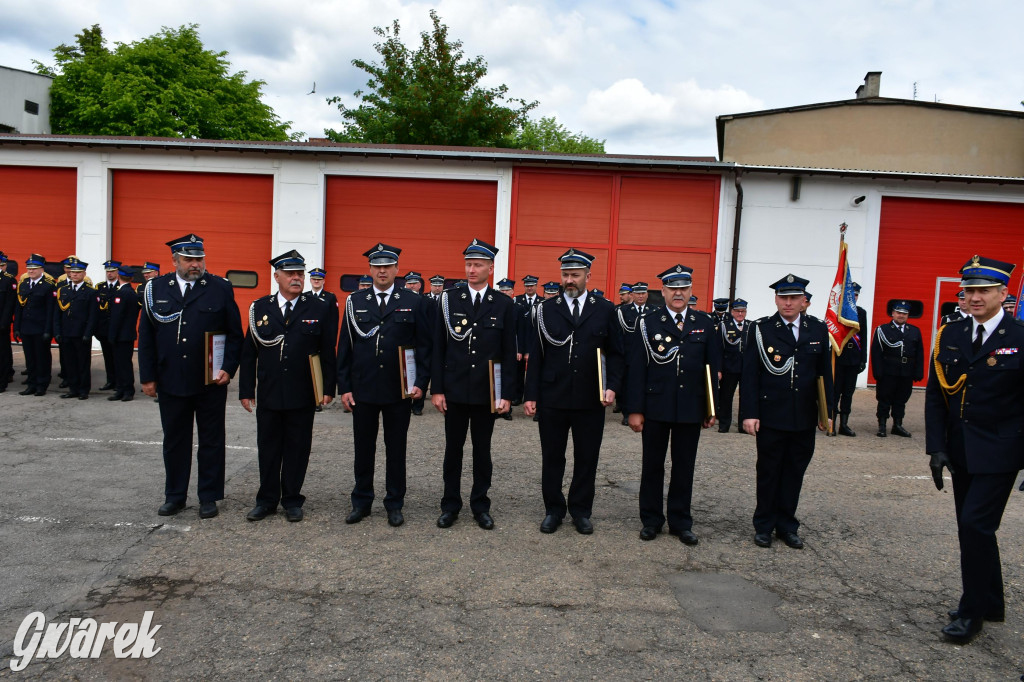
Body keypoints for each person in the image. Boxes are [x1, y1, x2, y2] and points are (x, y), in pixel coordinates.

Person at [926, 255, 1024, 644]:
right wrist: (936, 447)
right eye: (970, 290)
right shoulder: (949, 333)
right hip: (961, 449)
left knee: (975, 525)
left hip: (1002, 451)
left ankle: (972, 613)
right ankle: (992, 601)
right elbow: (936, 396)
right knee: (975, 529)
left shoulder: (1019, 339)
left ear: (1003, 293)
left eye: (984, 290)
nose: (975, 297)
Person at [138, 234, 243, 519]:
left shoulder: (220, 288)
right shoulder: (155, 288)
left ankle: (208, 496)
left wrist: (228, 368)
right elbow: (146, 337)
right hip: (171, 378)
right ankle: (175, 496)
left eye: (199, 259)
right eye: (189, 259)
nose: (195, 264)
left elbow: (235, 335)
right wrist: (147, 377)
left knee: (211, 440)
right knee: (175, 440)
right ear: (175, 261)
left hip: (210, 380)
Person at [524, 248, 623, 535]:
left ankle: (581, 510)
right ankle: (553, 510)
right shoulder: (545, 309)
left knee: (587, 456)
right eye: (565, 274)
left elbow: (616, 353)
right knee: (552, 456)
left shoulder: (605, 309)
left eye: (575, 275)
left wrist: (613, 387)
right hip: (553, 395)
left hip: (591, 395)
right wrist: (531, 395)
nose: (569, 280)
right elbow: (536, 355)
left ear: (587, 276)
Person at [625, 264, 720, 545]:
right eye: (673, 288)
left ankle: (680, 521)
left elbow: (711, 369)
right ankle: (651, 520)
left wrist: (710, 408)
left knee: (684, 466)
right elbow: (637, 369)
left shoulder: (705, 323)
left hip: (691, 407)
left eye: (683, 288)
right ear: (663, 291)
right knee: (652, 465)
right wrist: (635, 409)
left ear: (691, 291)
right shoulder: (647, 323)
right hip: (656, 406)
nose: (678, 293)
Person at [337, 243, 431, 527]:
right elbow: (345, 347)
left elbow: (424, 345)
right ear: (370, 270)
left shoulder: (414, 301)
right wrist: (345, 386)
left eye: (387, 266)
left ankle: (394, 502)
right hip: (364, 387)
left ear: (396, 270)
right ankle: (361, 501)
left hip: (397, 388)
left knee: (396, 448)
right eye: (377, 266)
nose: (382, 270)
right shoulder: (355, 301)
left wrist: (421, 383)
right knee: (363, 448)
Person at [240, 250, 337, 523]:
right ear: (277, 277)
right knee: (268, 448)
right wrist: (246, 390)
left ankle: (292, 499)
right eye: (290, 274)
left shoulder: (318, 308)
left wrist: (328, 387)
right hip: (270, 392)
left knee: (297, 448)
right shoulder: (260, 308)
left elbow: (327, 349)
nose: (296, 278)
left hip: (302, 392)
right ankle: (267, 500)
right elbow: (249, 353)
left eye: (300, 274)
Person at [741, 274, 833, 549]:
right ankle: (764, 526)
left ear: (804, 301)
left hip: (803, 415)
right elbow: (750, 376)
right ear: (776, 299)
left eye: (794, 298)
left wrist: (827, 411)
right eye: (783, 297)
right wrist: (749, 413)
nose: (789, 303)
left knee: (795, 471)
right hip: (771, 413)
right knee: (768, 471)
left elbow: (824, 374)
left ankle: (787, 526)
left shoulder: (817, 329)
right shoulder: (761, 329)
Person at [431, 239, 518, 530]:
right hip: (454, 390)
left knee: (482, 451)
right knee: (452, 451)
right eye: (468, 264)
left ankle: (480, 505)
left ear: (490, 269)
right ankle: (450, 505)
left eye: (478, 264)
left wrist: (506, 394)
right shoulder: (448, 299)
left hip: (486, 392)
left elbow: (508, 353)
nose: (471, 269)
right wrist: (438, 389)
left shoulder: (504, 304)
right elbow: (438, 347)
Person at [870, 300, 924, 437]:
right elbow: (876, 353)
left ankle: (897, 425)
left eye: (904, 314)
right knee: (884, 398)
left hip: (906, 371)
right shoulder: (883, 329)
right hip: (888, 370)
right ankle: (882, 425)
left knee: (901, 399)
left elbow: (919, 353)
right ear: (893, 313)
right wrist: (877, 371)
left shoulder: (914, 331)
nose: (901, 316)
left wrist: (918, 371)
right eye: (899, 313)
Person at [53, 257, 97, 400]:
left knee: (83, 363)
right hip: (66, 332)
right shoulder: (63, 290)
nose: (74, 275)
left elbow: (92, 315)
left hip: (81, 333)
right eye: (72, 272)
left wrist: (88, 333)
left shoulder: (90, 292)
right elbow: (57, 314)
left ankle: (83, 390)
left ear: (84, 274)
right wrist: (57, 331)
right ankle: (73, 388)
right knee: (69, 362)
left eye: (78, 272)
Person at [14, 254, 56, 396]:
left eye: (34, 268)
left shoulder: (48, 286)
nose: (31, 271)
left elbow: (51, 310)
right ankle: (31, 383)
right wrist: (17, 327)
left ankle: (41, 384)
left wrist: (48, 330)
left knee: (42, 357)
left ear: (41, 269)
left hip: (40, 328)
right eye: (29, 268)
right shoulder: (24, 284)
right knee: (30, 358)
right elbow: (19, 308)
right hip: (26, 327)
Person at [833, 283, 869, 437]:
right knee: (835, 393)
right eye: (851, 295)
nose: (853, 298)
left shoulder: (861, 312)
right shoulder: (837, 312)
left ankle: (844, 424)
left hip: (853, 359)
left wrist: (863, 359)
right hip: (838, 357)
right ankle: (831, 424)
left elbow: (864, 336)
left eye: (856, 295)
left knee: (848, 394)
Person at [107, 264, 140, 401]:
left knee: (123, 364)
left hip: (122, 335)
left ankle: (126, 390)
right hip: (126, 334)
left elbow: (117, 316)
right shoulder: (131, 292)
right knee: (121, 363)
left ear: (119, 276)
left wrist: (112, 335)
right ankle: (122, 389)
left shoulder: (122, 293)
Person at [717, 298, 748, 433]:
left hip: (747, 368)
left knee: (746, 396)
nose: (740, 314)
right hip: (729, 367)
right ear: (732, 312)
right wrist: (718, 369)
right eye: (737, 311)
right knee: (726, 397)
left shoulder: (751, 326)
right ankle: (724, 424)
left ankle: (743, 425)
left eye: (743, 311)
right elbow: (718, 349)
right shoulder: (724, 326)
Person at [94, 260, 121, 391]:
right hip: (104, 329)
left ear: (117, 272)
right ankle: (110, 381)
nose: (109, 274)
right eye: (108, 271)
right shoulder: (100, 287)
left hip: (117, 329)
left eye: (112, 271)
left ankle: (119, 382)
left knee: (118, 356)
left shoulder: (121, 287)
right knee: (107, 356)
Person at [0, 251, 16, 392]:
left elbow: (9, 305)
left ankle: (3, 380)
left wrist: (4, 323)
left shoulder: (8, 280)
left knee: (2, 353)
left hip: (1, 324)